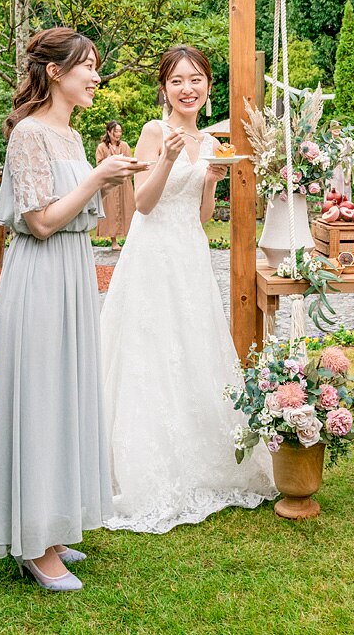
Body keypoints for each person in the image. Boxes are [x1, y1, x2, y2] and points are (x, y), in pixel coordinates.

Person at [0, 28, 147, 592]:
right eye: (88, 66)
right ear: (55, 72)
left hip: (73, 271)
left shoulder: (72, 135)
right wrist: (99, 176)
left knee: (65, 393)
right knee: (41, 397)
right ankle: (33, 545)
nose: (96, 76)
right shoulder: (28, 134)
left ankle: (54, 526)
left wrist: (108, 178)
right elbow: (40, 221)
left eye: (96, 66)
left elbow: (75, 212)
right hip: (41, 274)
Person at [99, 44, 276, 532]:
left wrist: (212, 179)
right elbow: (143, 204)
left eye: (195, 79)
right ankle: (141, 461)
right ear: (164, 88)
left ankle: (201, 455)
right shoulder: (154, 132)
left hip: (189, 252)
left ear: (208, 87)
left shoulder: (211, 141)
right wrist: (167, 159)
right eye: (177, 80)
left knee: (192, 346)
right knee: (150, 349)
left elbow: (201, 215)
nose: (187, 88)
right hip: (151, 253)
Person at [95, 120, 135, 250]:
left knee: (128, 209)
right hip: (110, 183)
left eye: (120, 131)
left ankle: (130, 241)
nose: (118, 134)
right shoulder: (102, 147)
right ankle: (114, 242)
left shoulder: (125, 146)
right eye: (115, 131)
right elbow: (99, 164)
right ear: (109, 132)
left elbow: (130, 162)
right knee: (111, 211)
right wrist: (110, 159)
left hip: (123, 182)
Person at [325, 120, 352, 201]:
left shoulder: (346, 142)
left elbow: (349, 159)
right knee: (331, 193)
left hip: (343, 170)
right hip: (331, 171)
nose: (336, 129)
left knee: (343, 194)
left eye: (338, 127)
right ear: (330, 129)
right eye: (334, 127)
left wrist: (348, 174)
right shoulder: (327, 144)